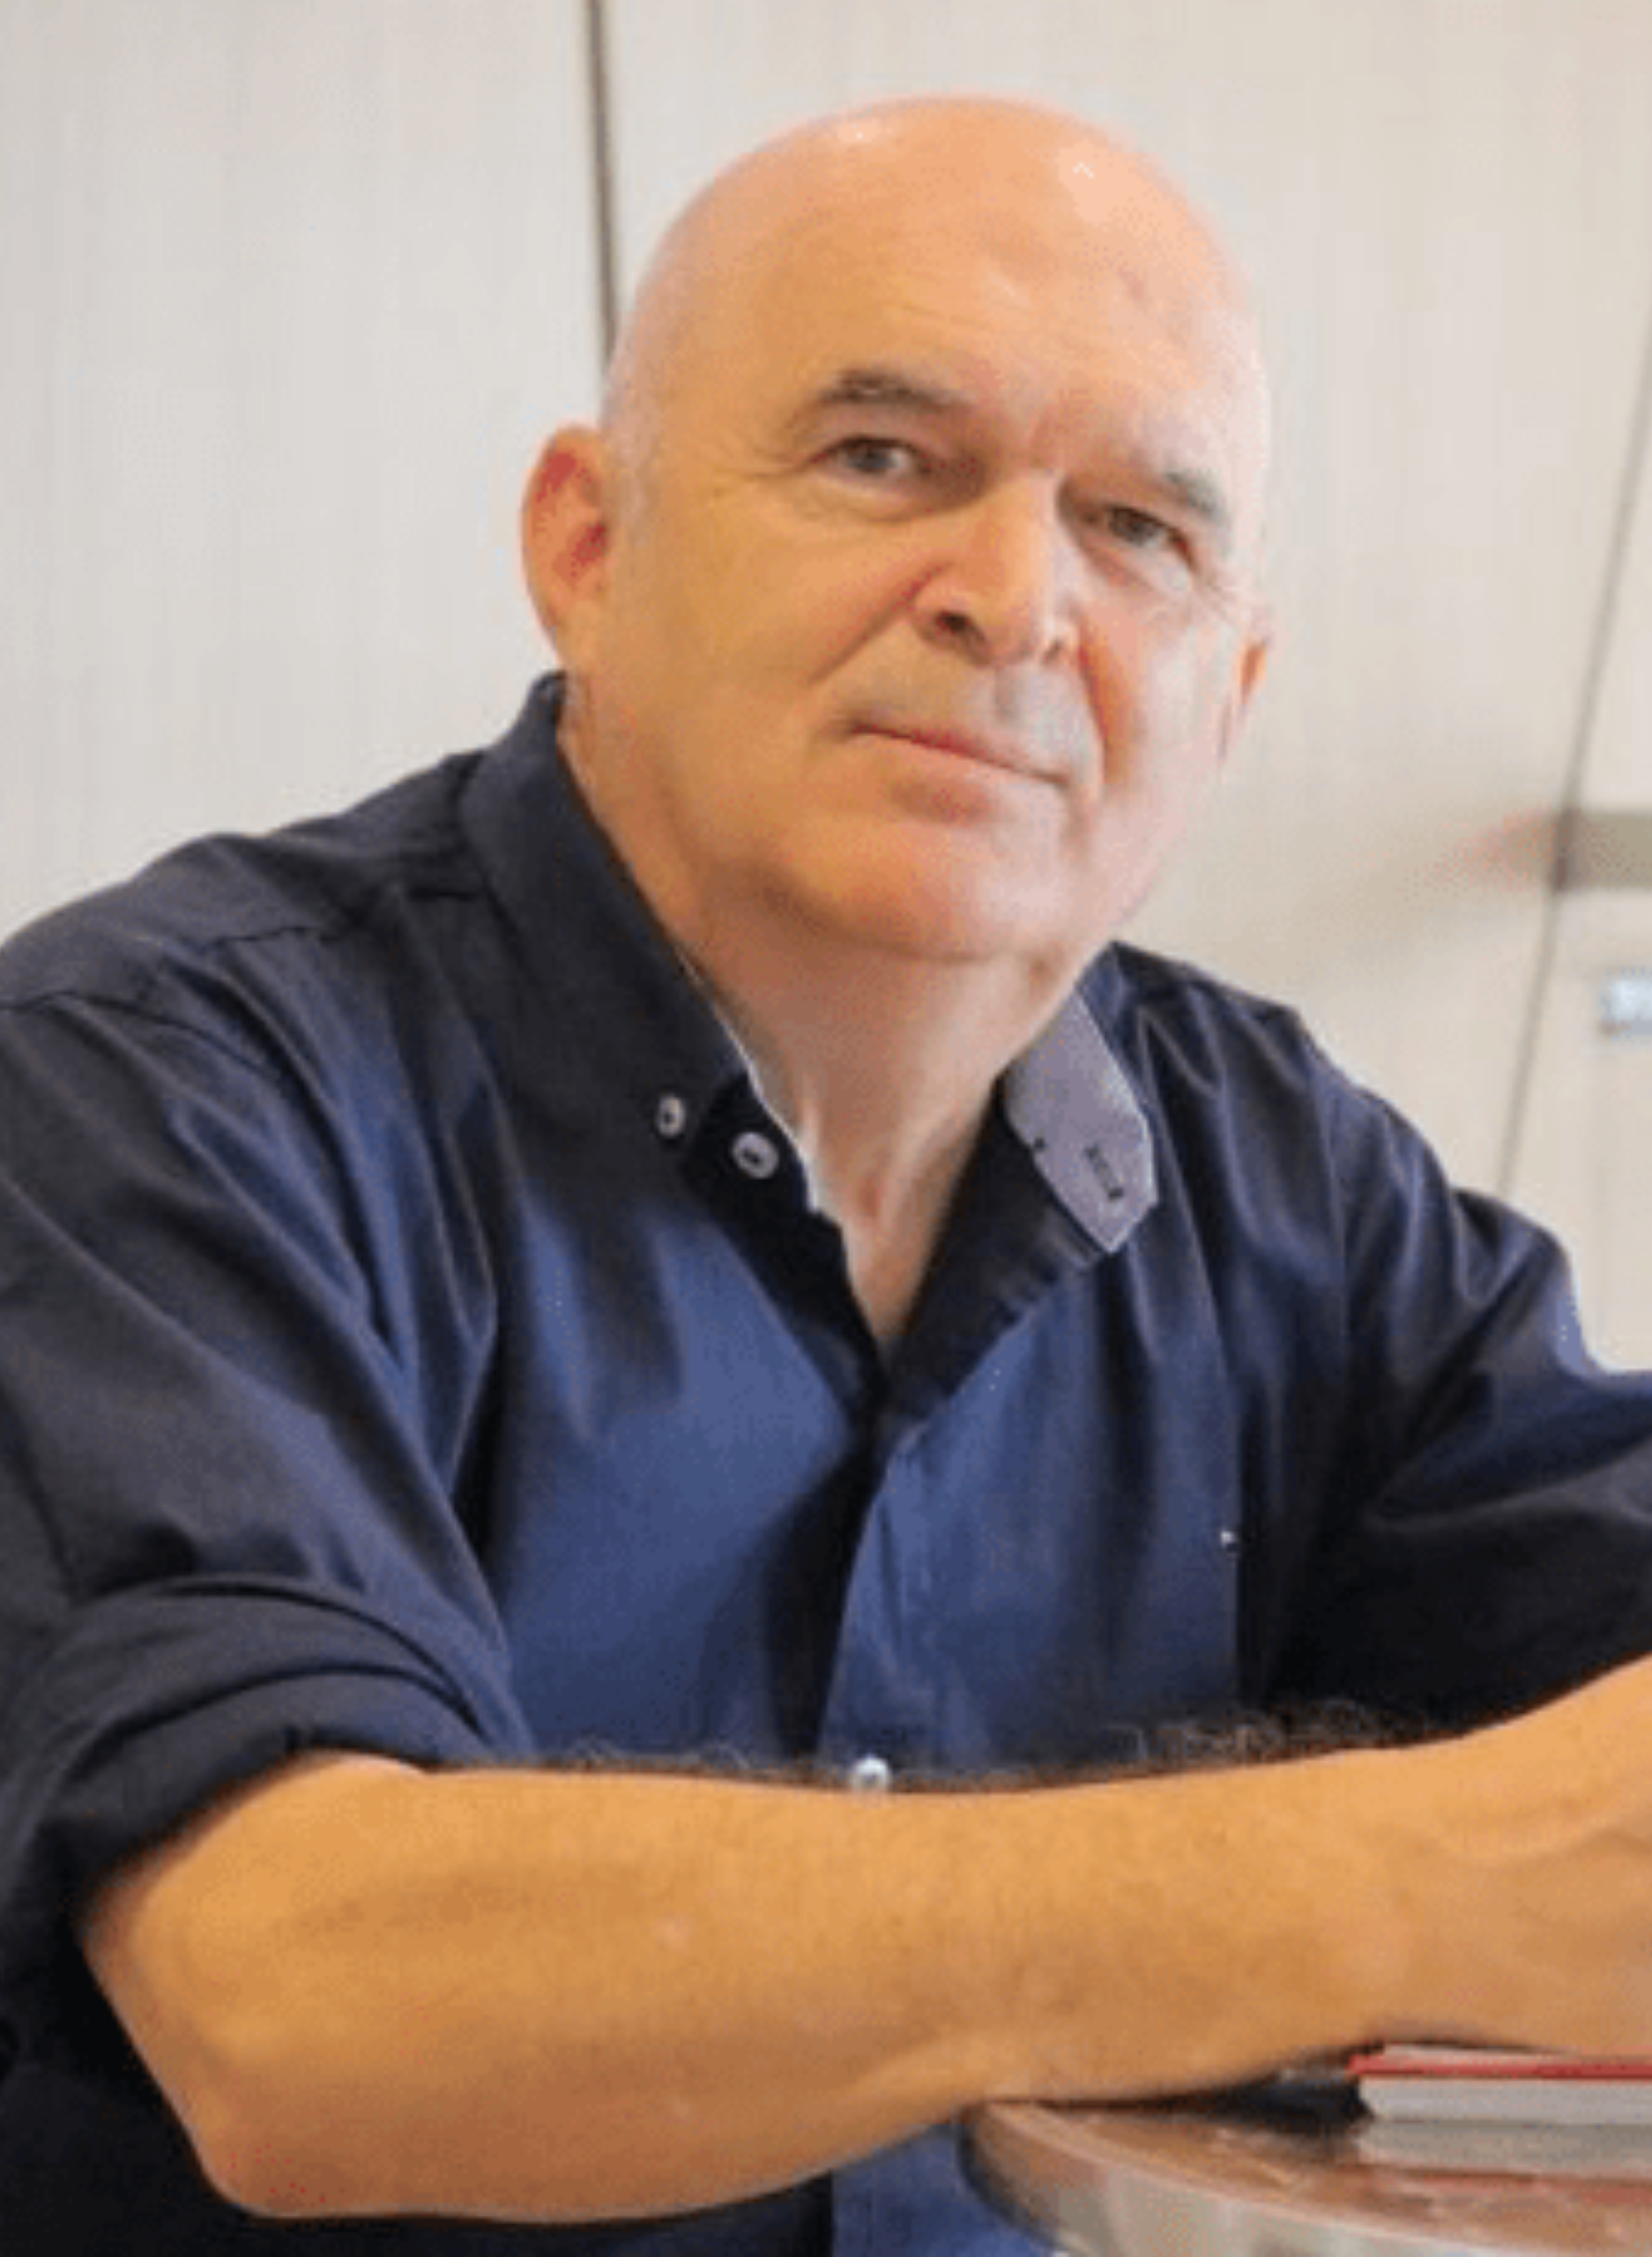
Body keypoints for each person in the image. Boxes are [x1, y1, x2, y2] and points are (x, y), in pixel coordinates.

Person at [4, 91, 1652, 2257]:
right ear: (589, 547)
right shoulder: (157, 1081)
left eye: (1139, 528)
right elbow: (300, 2000)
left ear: (1230, 691)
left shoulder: (1293, 1184)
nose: (1016, 601)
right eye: (883, 458)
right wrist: (1408, 1875)